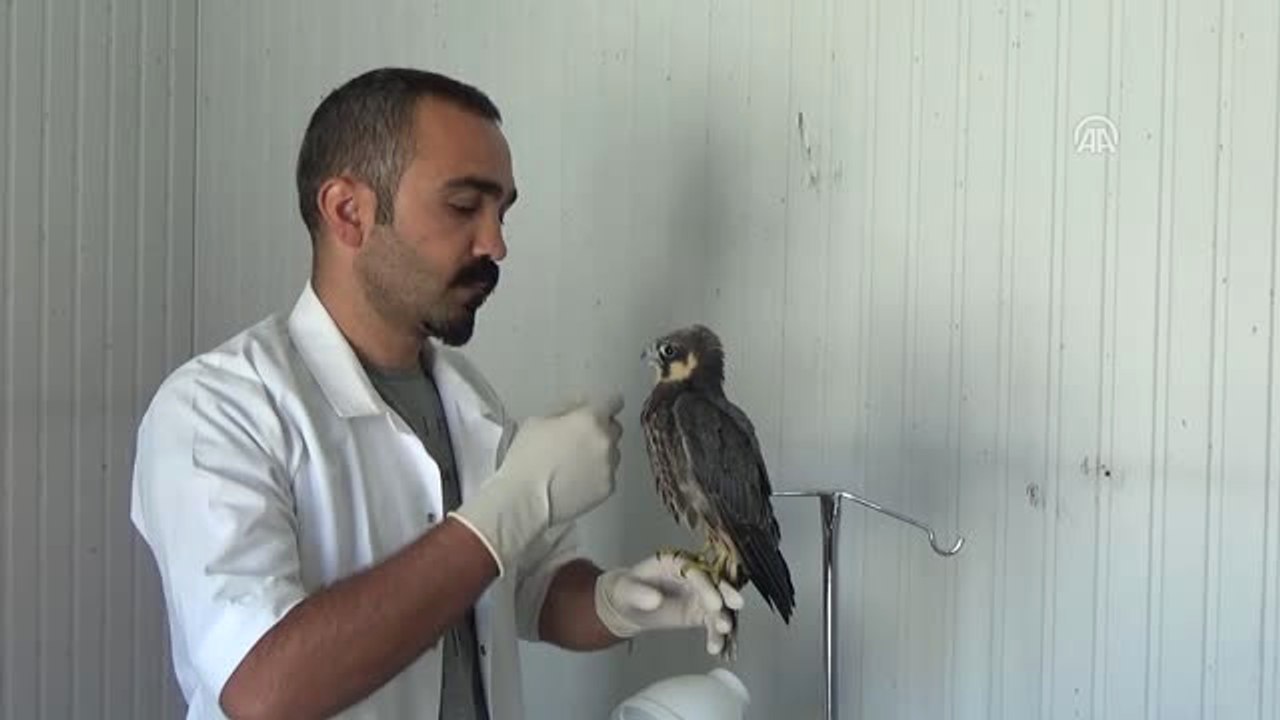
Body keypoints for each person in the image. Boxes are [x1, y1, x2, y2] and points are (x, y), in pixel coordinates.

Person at [129, 67, 744, 720]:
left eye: (502, 212)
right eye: (463, 206)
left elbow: (528, 586)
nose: (495, 244)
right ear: (348, 212)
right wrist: (510, 505)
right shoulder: (216, 410)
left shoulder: (467, 397)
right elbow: (263, 687)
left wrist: (615, 602)